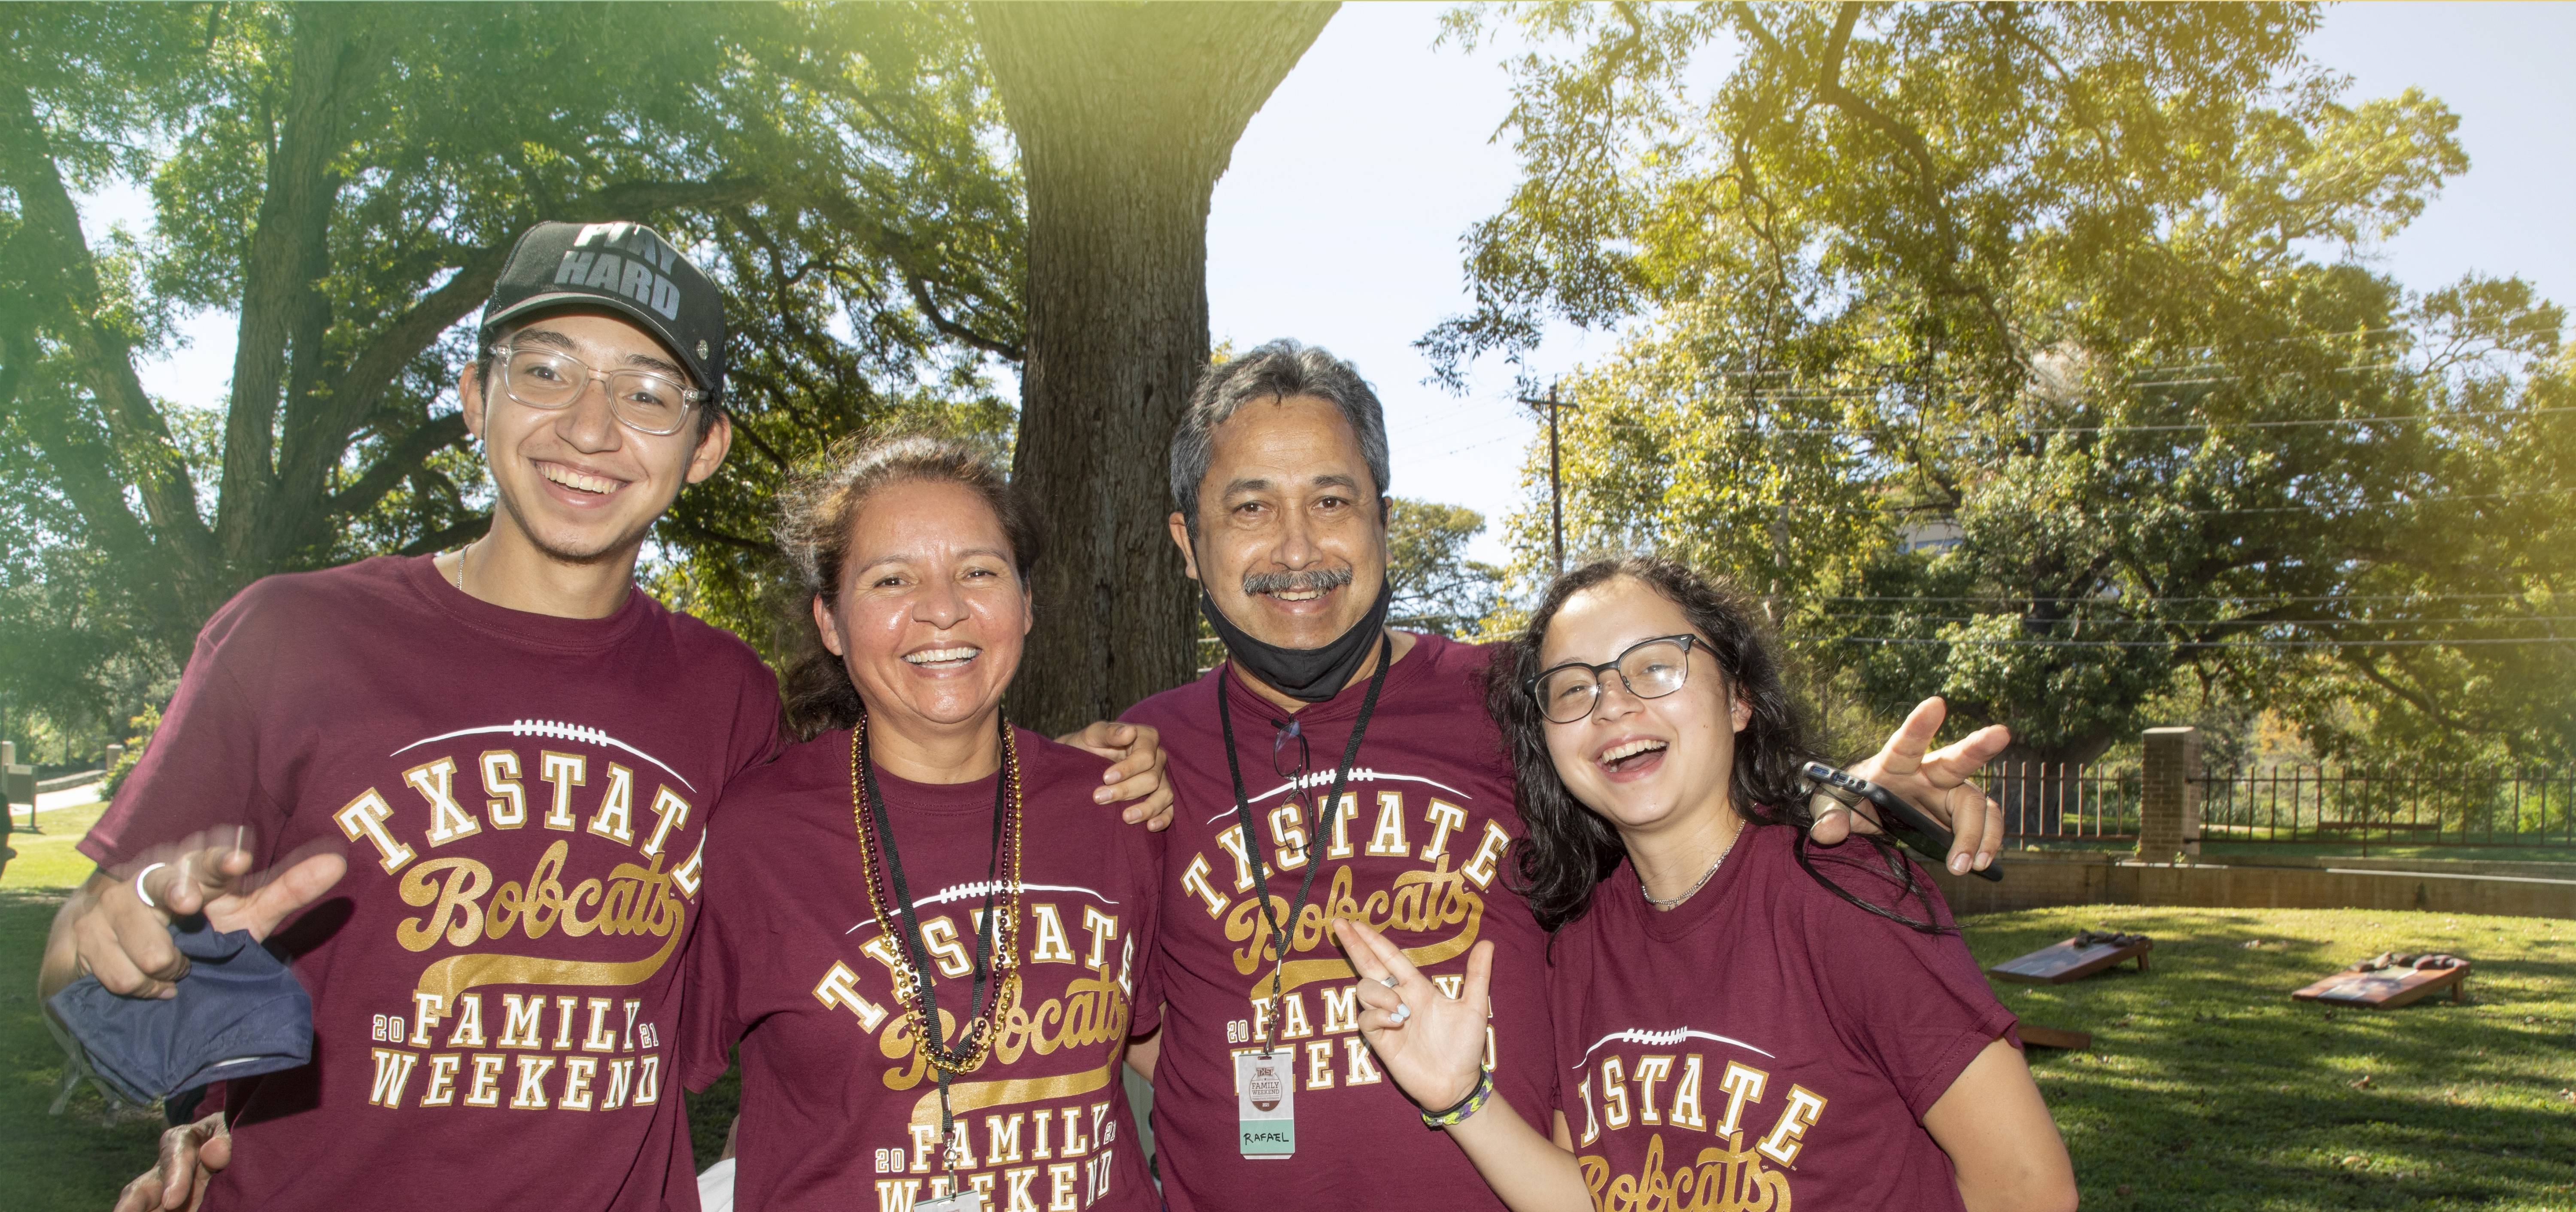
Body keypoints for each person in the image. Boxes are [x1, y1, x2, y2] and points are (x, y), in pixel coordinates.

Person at [51, 221, 1174, 1212]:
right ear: (475, 396)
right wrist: (126, 950)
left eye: (646, 392)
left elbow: (866, 848)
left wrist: (1064, 774)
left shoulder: (724, 691)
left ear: (705, 445)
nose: (590, 429)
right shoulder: (290, 634)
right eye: (546, 371)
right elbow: (82, 956)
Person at [1120, 340, 2013, 1212]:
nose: (1296, 546)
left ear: (1382, 521)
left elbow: (1676, 783)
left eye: (1331, 499)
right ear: (1187, 543)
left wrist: (1836, 792)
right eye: (1249, 509)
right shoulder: (1138, 760)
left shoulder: (1520, 700)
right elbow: (1129, 1018)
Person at [1334, 556, 2078, 1212]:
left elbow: (2028, 1190)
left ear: (1739, 698)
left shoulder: (1844, 896)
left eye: (1656, 666)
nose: (1615, 705)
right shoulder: (1583, 943)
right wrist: (1464, 1100)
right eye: (1573, 688)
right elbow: (1594, 1197)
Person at [678, 436, 1162, 1212]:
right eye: (893, 579)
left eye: (979, 571)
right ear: (831, 623)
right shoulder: (751, 835)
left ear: (1027, 603)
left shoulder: (1116, 809)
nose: (943, 608)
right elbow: (636, 1090)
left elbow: (1175, 1050)